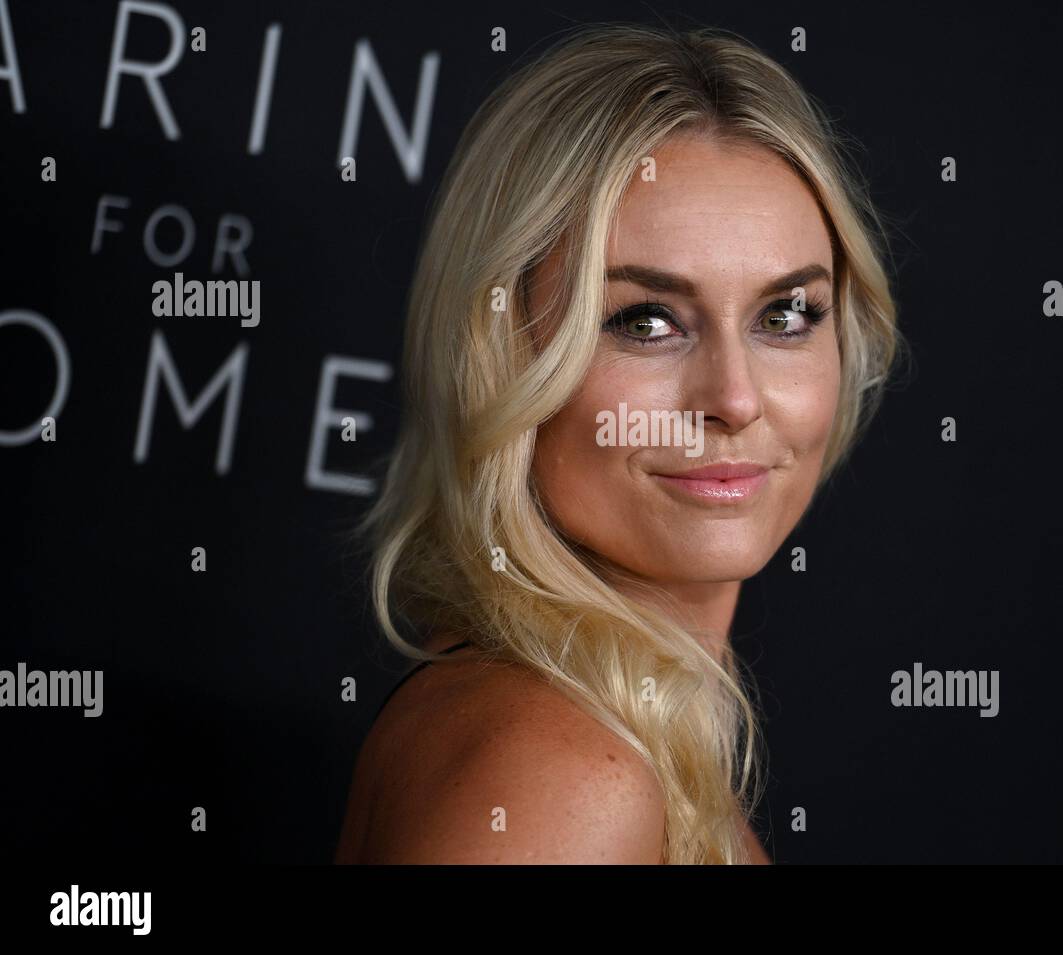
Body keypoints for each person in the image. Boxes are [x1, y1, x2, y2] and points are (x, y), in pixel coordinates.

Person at [334, 20, 901, 864]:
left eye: (785, 315)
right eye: (647, 320)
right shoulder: (560, 776)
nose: (736, 399)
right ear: (503, 354)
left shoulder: (589, 740)